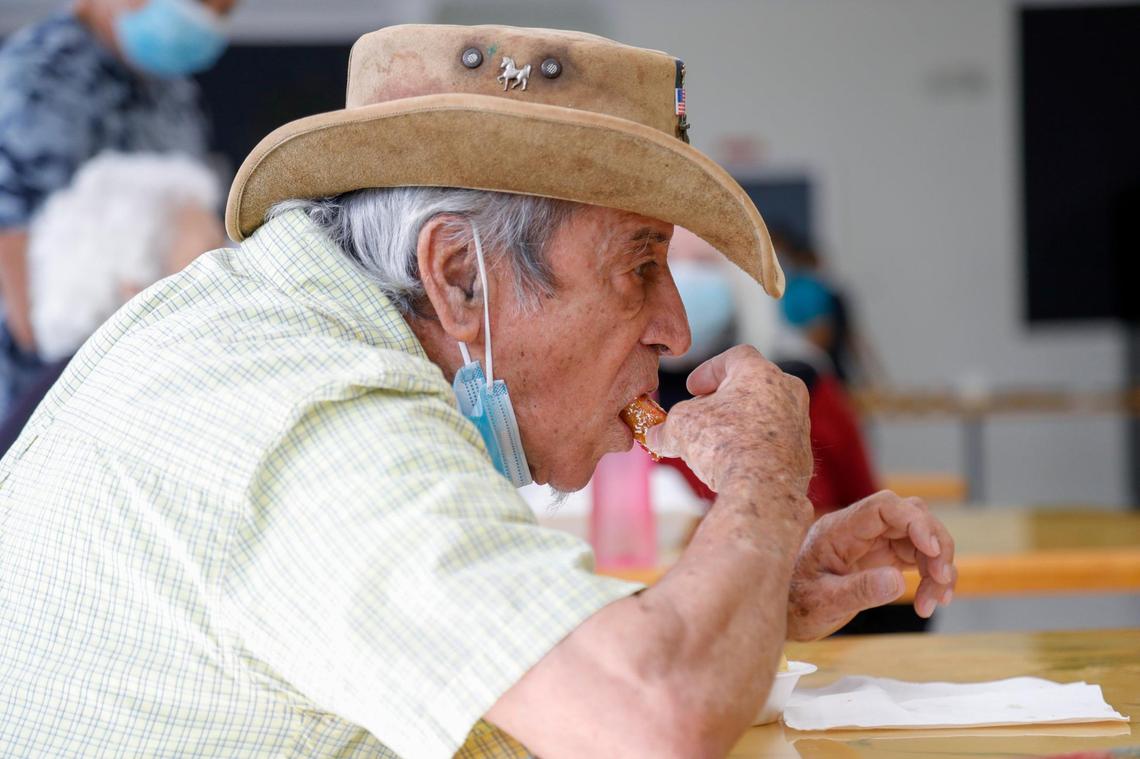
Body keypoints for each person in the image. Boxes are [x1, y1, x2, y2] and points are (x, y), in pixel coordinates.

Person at [0, 25, 957, 758]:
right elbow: (647, 719)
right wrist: (764, 481)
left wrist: (746, 602)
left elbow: (502, 669)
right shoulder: (321, 419)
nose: (674, 326)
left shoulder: (272, 329)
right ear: (458, 276)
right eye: (639, 263)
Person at [0, 0, 236, 410]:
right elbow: (10, 224)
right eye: (200, 5)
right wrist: (51, 365)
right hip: (52, 374)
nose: (208, 22)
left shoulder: (171, 86)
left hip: (142, 356)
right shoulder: (42, 71)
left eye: (224, 11)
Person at [0, 151, 222, 455]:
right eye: (214, 251)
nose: (236, 257)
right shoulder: (139, 407)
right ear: (138, 291)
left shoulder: (65, 391)